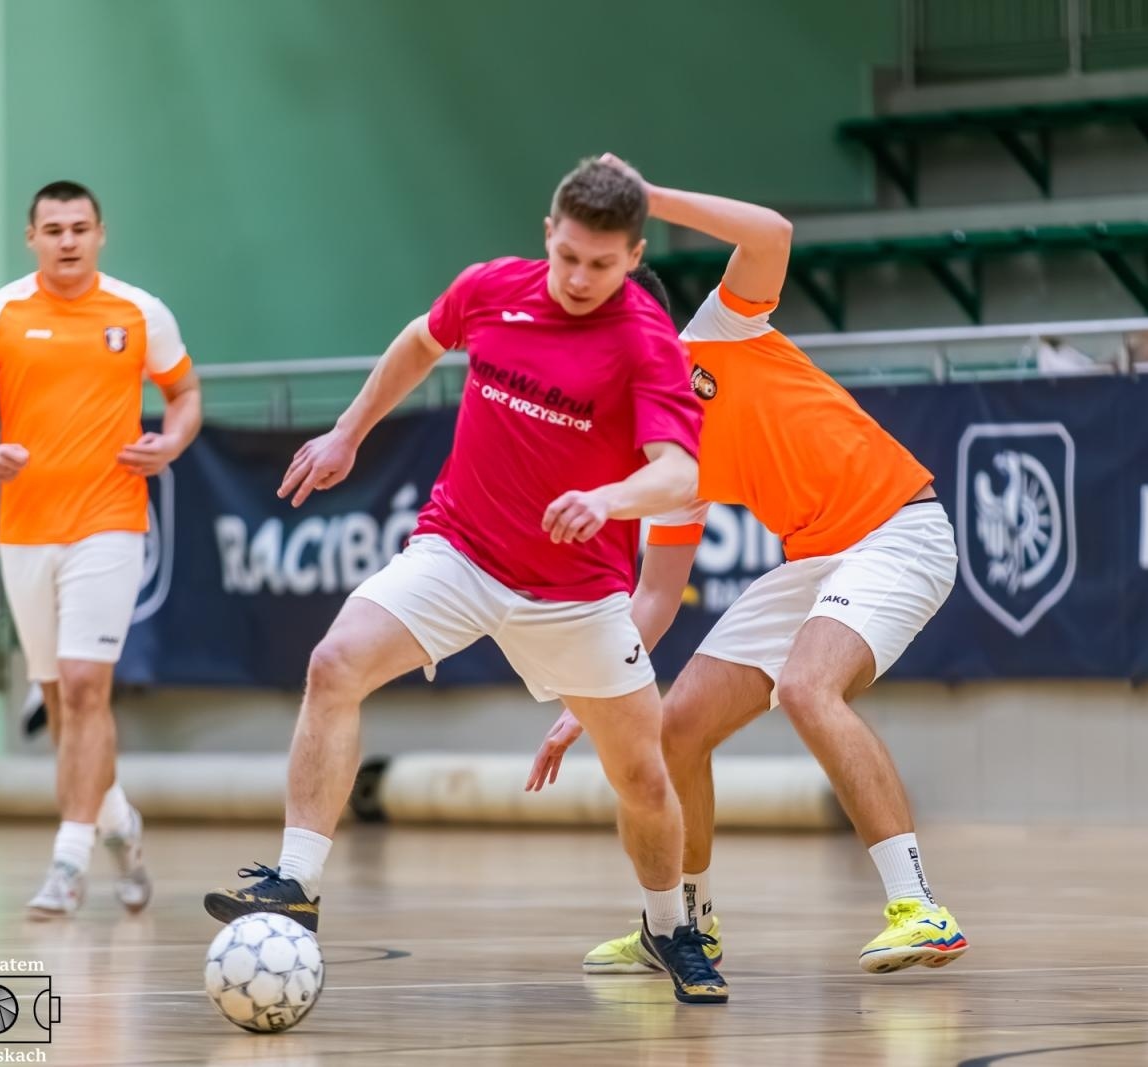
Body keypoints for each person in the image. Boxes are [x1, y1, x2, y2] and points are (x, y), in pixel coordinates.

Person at [203, 158, 727, 1005]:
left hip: (577, 592)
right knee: (335, 663)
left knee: (642, 776)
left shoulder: (646, 343)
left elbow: (676, 473)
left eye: (603, 263)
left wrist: (606, 496)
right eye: (570, 258)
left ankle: (670, 927)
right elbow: (419, 341)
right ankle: (297, 880)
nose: (582, 278)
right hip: (461, 549)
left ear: (633, 257)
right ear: (548, 235)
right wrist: (347, 433)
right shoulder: (490, 289)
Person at [527, 157, 967, 974]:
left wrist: (645, 198)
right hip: (817, 558)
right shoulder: (662, 456)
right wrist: (588, 696)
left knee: (807, 684)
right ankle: (685, 925)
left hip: (900, 529)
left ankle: (921, 908)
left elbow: (772, 234)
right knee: (673, 729)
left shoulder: (715, 334)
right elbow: (656, 594)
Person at [0, 180, 202, 918]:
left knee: (88, 686)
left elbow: (184, 396)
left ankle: (66, 864)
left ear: (100, 233)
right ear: (32, 237)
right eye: (52, 229)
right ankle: (120, 824)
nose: (66, 240)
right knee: (61, 709)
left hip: (111, 522)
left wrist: (170, 442)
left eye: (78, 227)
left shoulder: (139, 312)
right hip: (25, 531)